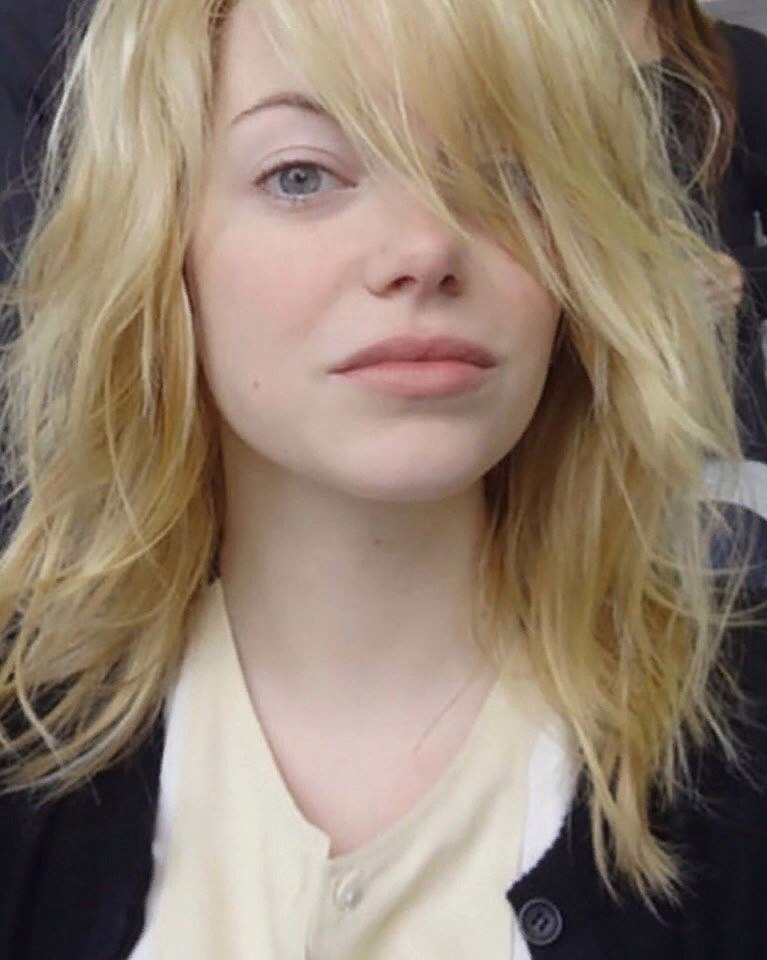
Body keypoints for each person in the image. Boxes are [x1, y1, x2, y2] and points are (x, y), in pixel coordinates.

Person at [0, 1, 765, 958]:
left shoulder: (738, 757)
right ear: (162, 248)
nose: (425, 250)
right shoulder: (23, 744)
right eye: (301, 176)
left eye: (506, 176)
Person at [617, 0, 767, 461]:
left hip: (721, 426)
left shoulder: (741, 64)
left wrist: (738, 279)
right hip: (571, 426)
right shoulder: (523, 76)